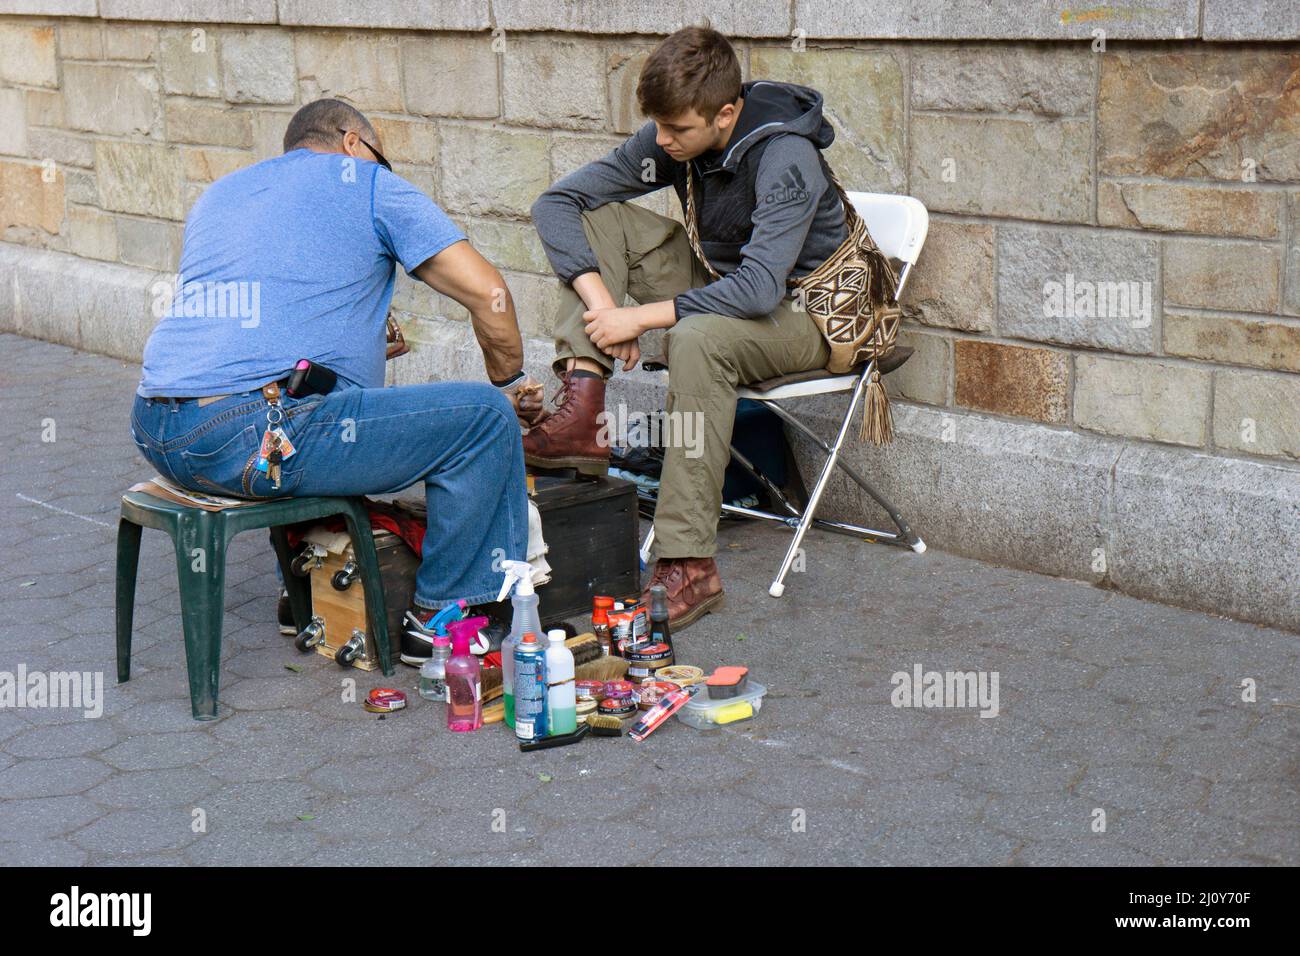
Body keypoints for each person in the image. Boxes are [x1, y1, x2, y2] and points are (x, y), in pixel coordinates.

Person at [130, 98, 543, 664]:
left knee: (334, 416)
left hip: (157, 428)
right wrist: (510, 380)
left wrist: (357, 346)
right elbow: (487, 293)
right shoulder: (368, 182)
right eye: (379, 157)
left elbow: (250, 329)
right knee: (481, 419)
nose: (380, 168)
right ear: (353, 142)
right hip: (249, 436)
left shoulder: (222, 193)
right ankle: (441, 619)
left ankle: (302, 593)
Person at [525, 27, 846, 629]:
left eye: (678, 131)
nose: (663, 142)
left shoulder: (786, 156)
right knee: (601, 219)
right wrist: (604, 312)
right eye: (660, 128)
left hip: (809, 310)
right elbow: (556, 204)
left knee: (697, 339)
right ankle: (583, 413)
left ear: (725, 113)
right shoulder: (674, 135)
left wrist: (639, 318)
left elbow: (758, 290)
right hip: (727, 284)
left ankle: (687, 561)